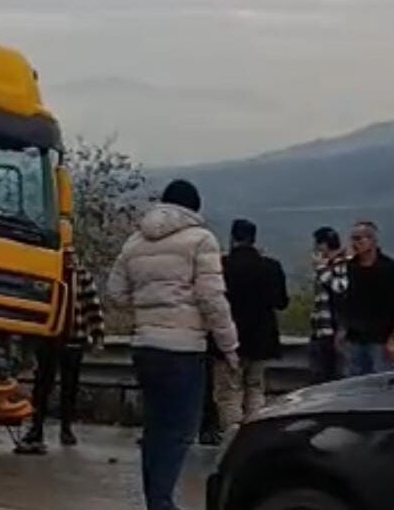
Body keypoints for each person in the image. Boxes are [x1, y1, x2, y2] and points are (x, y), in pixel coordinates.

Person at [106, 179, 239, 510]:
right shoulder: (201, 239)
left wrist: (149, 305)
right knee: (180, 430)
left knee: (155, 428)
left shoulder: (135, 241)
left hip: (145, 346)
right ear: (194, 208)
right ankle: (162, 503)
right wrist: (229, 345)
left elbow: (115, 293)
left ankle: (156, 499)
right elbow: (211, 298)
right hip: (183, 349)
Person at [17, 246, 105, 452]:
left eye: (72, 256)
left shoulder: (82, 276)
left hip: (74, 338)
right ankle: (36, 428)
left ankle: (66, 428)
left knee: (69, 387)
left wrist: (98, 334)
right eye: (66, 256)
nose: (69, 260)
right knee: (42, 386)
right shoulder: (47, 274)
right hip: (48, 338)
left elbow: (92, 305)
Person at [211, 219, 288, 435]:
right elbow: (282, 302)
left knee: (228, 393)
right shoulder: (271, 267)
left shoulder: (220, 266)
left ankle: (233, 439)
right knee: (255, 388)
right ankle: (255, 435)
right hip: (261, 341)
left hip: (228, 340)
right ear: (254, 239)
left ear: (232, 238)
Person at [340, 221, 394, 376]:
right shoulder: (349, 268)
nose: (355, 243)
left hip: (380, 339)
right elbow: (342, 301)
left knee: (382, 383)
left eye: (360, 239)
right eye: (353, 239)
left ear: (372, 240)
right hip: (354, 339)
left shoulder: (390, 268)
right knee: (354, 385)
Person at [310, 226, 349, 383]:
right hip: (321, 330)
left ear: (324, 245)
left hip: (331, 330)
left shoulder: (340, 265)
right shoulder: (330, 265)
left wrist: (321, 268)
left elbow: (339, 288)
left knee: (331, 375)